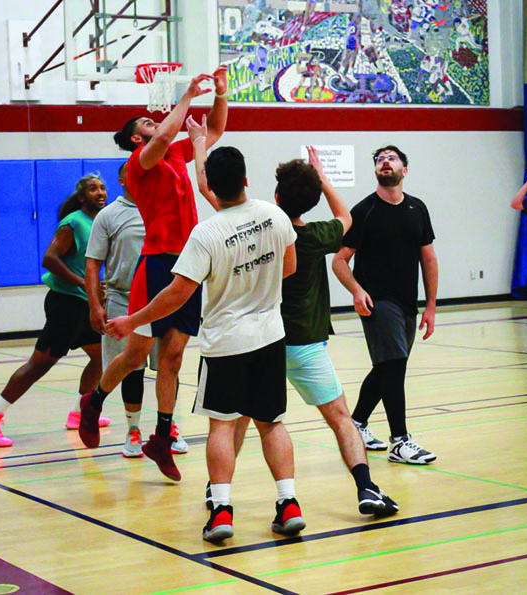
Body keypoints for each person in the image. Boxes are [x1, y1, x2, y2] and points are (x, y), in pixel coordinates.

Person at [105, 138, 303, 543]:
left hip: (227, 343)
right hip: (270, 337)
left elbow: (176, 294)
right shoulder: (275, 215)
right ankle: (289, 503)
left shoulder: (205, 233)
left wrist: (133, 320)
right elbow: (289, 267)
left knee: (221, 427)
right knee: (272, 423)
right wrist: (255, 286)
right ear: (247, 178)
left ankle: (222, 512)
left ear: (209, 186)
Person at [78, 68, 228, 484]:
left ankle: (162, 436)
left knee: (174, 357)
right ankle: (94, 403)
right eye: (145, 122)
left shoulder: (179, 155)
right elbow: (163, 136)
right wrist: (186, 94)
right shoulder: (141, 160)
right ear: (135, 138)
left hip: (189, 262)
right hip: (156, 263)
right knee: (134, 356)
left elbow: (213, 129)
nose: (152, 121)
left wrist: (219, 94)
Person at [275, 147, 399, 516]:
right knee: (341, 418)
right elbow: (344, 216)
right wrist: (322, 177)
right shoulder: (315, 235)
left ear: (277, 196)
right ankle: (367, 488)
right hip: (307, 345)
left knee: (239, 423)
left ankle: (216, 493)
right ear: (311, 202)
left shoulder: (264, 227)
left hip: (263, 343)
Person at [0, 174, 109, 446]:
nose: (100, 192)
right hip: (66, 304)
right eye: (93, 189)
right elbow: (49, 259)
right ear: (82, 197)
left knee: (102, 357)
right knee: (39, 365)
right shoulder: (73, 224)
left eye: (103, 187)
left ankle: (80, 412)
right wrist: (84, 282)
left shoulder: (98, 223)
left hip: (84, 304)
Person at [332, 145, 438, 465]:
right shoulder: (364, 211)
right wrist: (356, 291)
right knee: (394, 365)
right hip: (377, 301)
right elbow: (339, 261)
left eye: (391, 158)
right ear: (376, 171)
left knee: (387, 366)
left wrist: (431, 306)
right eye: (379, 159)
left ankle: (357, 423)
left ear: (404, 170)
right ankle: (399, 441)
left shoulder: (417, 208)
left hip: (408, 302)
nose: (384, 162)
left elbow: (428, 258)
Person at [85, 163, 188, 458]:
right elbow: (93, 263)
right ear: (122, 179)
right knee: (132, 367)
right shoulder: (109, 216)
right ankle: (133, 429)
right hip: (123, 299)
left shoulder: (161, 207)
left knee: (169, 365)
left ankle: (165, 429)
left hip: (163, 301)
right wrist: (95, 304)